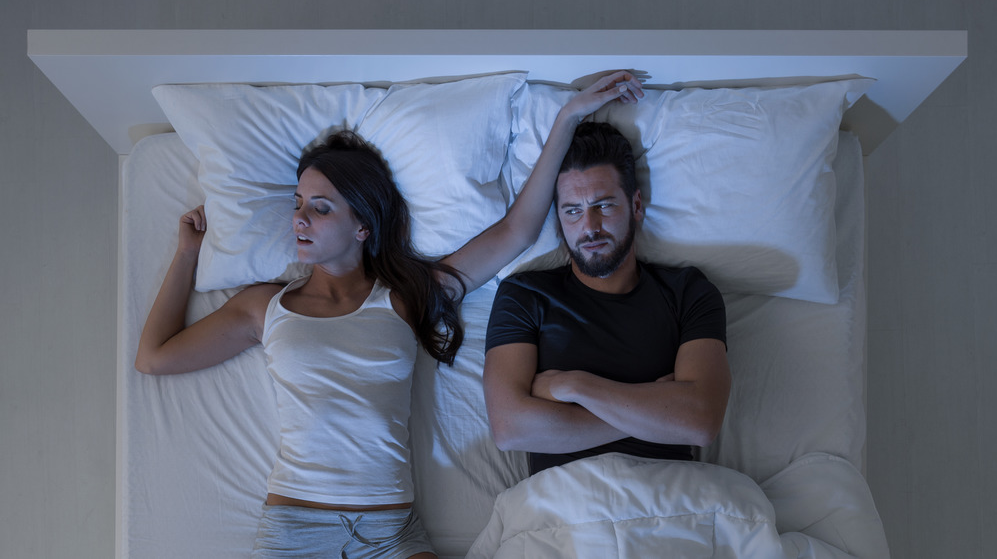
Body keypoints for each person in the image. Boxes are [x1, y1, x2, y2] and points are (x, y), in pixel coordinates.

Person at [134, 71, 645, 559]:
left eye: (321, 207)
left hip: (388, 532)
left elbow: (516, 231)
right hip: (297, 528)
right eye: (297, 203)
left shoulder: (405, 298)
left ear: (362, 225)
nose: (299, 218)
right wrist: (187, 255)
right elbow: (154, 357)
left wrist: (570, 115)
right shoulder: (265, 307)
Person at [483, 121, 731, 476]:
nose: (590, 227)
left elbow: (701, 422)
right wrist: (656, 411)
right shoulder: (524, 296)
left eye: (604, 205)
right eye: (573, 210)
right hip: (563, 507)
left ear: (636, 205)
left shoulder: (689, 292)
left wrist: (572, 386)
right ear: (559, 219)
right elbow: (510, 428)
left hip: (670, 498)